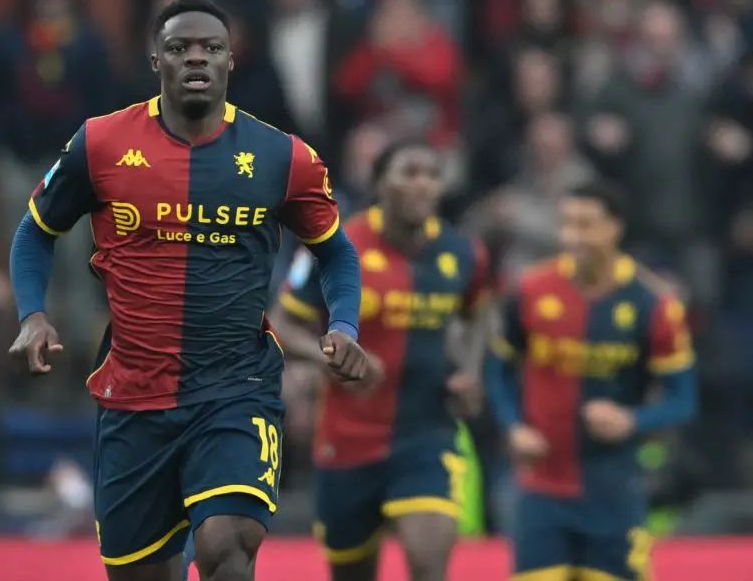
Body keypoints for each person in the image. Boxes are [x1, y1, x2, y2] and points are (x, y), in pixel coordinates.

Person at [9, 0, 371, 581]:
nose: (196, 57)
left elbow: (336, 252)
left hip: (237, 388)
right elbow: (34, 232)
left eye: (211, 47)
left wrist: (344, 324)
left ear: (231, 60)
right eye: (179, 48)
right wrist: (33, 314)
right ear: (157, 60)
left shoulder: (283, 156)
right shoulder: (100, 143)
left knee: (228, 545)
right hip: (134, 396)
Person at [271, 139, 491, 581]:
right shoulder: (334, 247)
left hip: (427, 433)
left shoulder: (463, 253)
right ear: (379, 183)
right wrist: (331, 358)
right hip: (346, 440)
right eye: (410, 172)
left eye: (432, 174)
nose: (423, 184)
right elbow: (281, 322)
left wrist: (469, 371)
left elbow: (479, 315)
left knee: (429, 564)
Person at [486, 181, 698, 581]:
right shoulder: (530, 290)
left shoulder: (653, 304)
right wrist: (513, 427)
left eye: (585, 225)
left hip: (615, 494)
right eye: (567, 224)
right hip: (541, 493)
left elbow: (683, 399)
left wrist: (631, 420)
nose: (572, 237)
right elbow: (498, 372)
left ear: (615, 228)